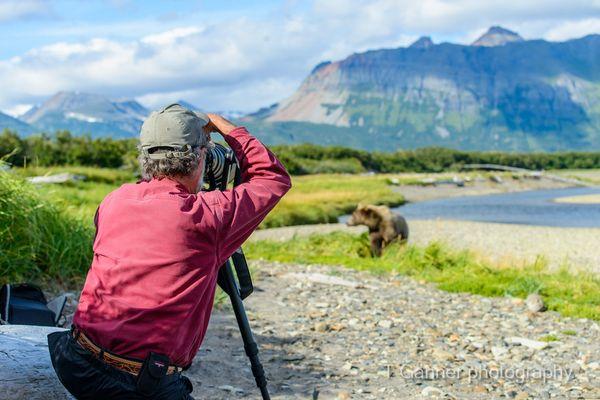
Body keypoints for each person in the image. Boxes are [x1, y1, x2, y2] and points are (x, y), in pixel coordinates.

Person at [47, 104, 292, 399]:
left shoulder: (114, 201)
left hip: (74, 360)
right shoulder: (208, 217)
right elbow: (272, 178)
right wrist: (230, 130)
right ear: (199, 157)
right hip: (136, 384)